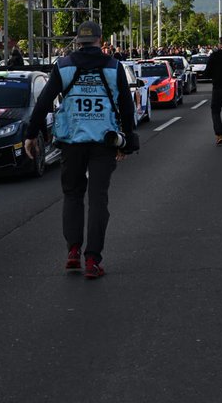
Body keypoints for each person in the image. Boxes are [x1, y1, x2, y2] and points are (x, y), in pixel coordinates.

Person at [24, 21, 137, 280]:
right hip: (103, 141)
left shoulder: (63, 66)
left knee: (73, 195)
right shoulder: (114, 66)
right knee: (98, 199)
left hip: (72, 140)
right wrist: (128, 140)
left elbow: (43, 102)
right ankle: (93, 260)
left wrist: (31, 135)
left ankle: (73, 250)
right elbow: (125, 104)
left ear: (78, 41)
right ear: (100, 39)